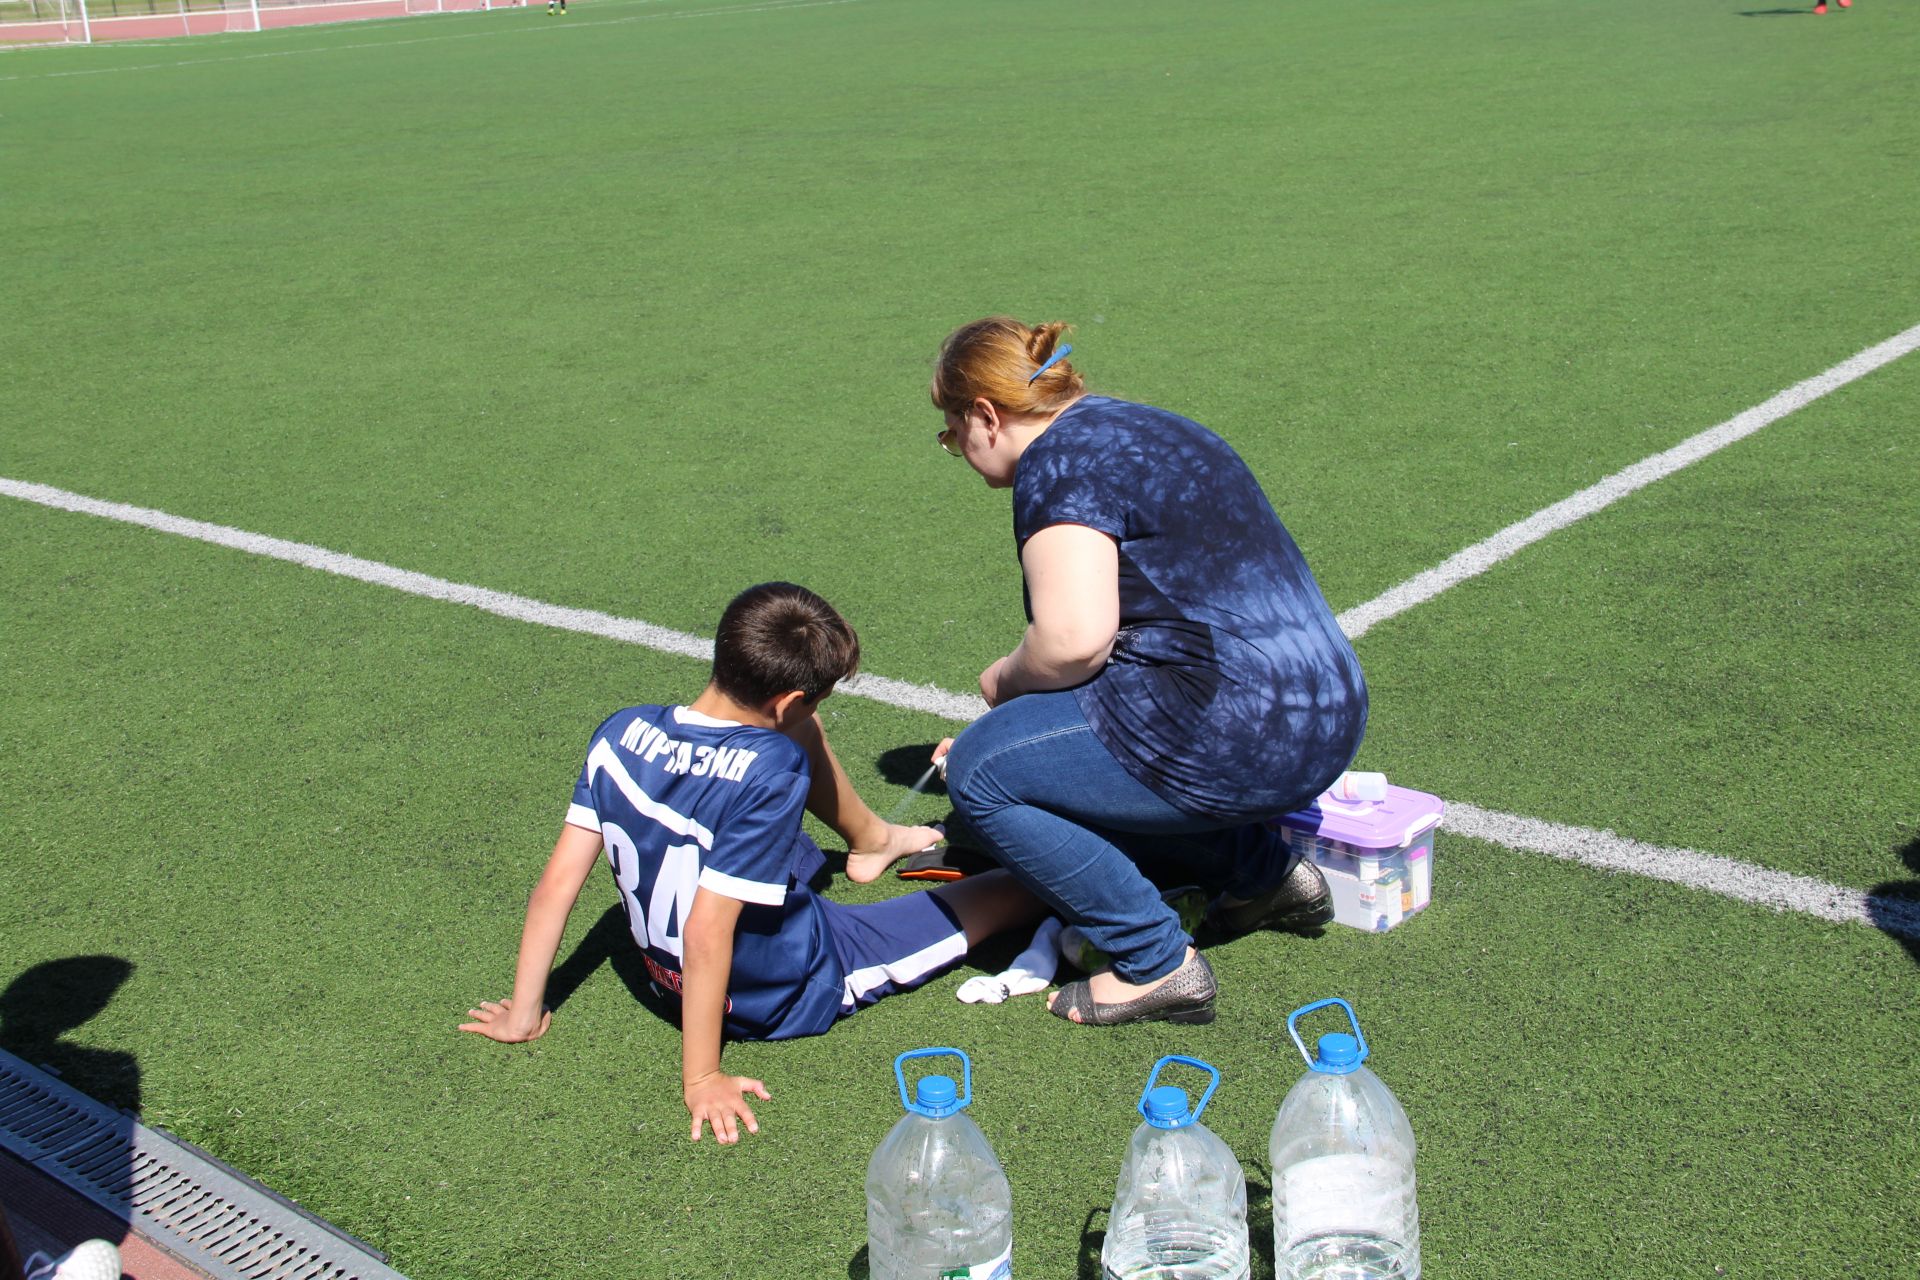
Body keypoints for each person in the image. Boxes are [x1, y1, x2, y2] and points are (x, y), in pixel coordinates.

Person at [459, 582, 1043, 1142]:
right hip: (779, 989)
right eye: (817, 696)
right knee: (1009, 890)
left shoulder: (620, 731)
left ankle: (874, 842)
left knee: (778, 765)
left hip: (665, 979)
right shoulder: (771, 769)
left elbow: (557, 884)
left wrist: (524, 1014)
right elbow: (708, 930)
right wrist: (702, 1078)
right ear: (788, 698)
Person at [925, 317, 1367, 1027]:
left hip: (1241, 730)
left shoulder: (1059, 465)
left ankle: (1154, 960)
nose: (956, 448)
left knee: (982, 771)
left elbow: (1072, 642)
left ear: (985, 414)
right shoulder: (1150, 423)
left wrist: (1002, 687)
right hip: (1329, 705)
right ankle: (1266, 878)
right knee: (1057, 748)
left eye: (951, 433)